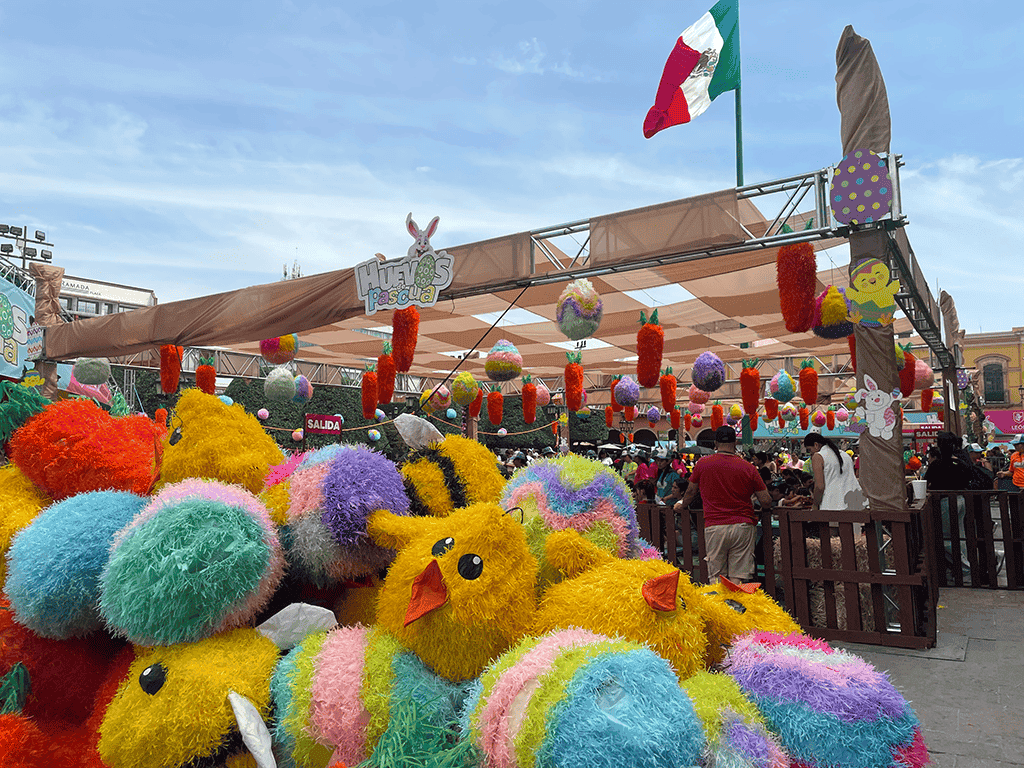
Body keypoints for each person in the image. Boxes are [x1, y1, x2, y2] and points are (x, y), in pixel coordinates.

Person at [677, 426, 771, 583]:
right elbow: (766, 501)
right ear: (735, 443)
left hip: (715, 526)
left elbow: (690, 492)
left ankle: (719, 599)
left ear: (715, 443)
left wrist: (681, 504)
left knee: (717, 577)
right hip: (743, 525)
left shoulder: (702, 464)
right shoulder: (748, 467)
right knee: (738, 578)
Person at [803, 432, 866, 510]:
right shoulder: (845, 455)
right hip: (856, 502)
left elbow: (819, 487)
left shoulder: (818, 456)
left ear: (816, 445)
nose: (810, 453)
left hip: (833, 505)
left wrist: (815, 504)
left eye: (809, 450)